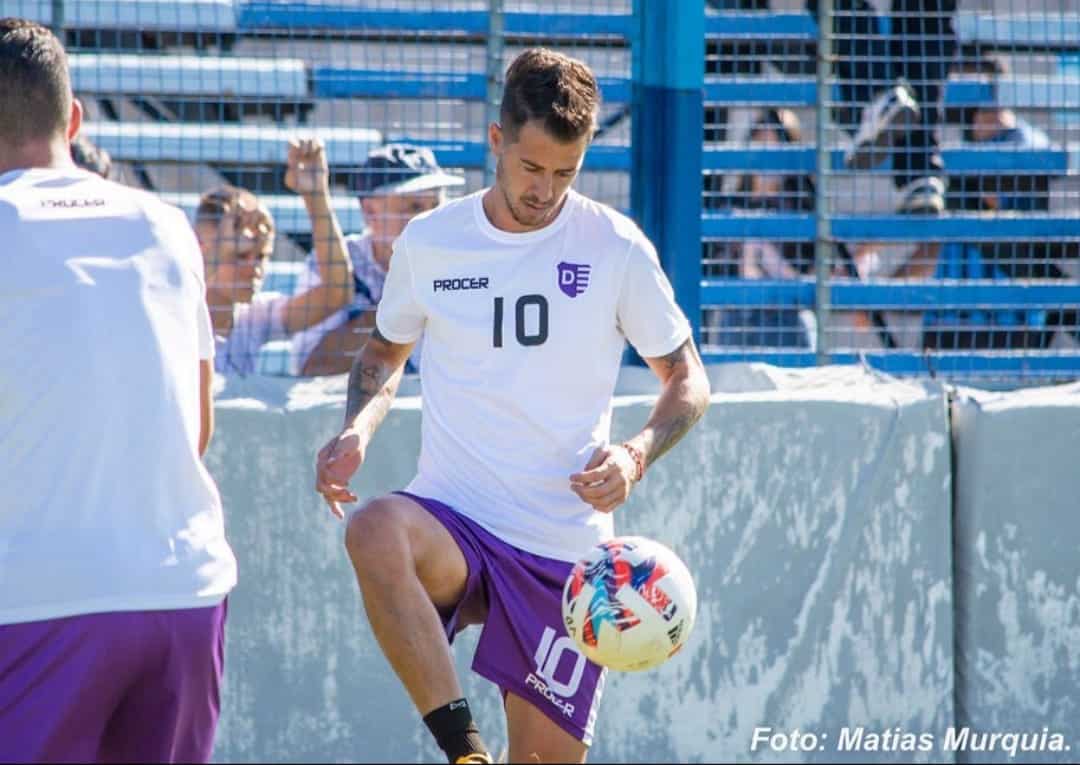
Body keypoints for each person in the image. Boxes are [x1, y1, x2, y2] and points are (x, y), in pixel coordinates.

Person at [314, 48, 711, 764]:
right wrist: (356, 429)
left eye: (566, 173)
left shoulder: (614, 245)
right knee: (374, 529)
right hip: (456, 521)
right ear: (496, 140)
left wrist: (635, 454)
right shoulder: (432, 241)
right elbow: (382, 354)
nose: (546, 190)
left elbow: (688, 379)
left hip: (564, 556)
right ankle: (466, 752)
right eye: (532, 168)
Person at [0, 18, 235, 762]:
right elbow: (197, 427)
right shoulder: (165, 224)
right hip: (182, 595)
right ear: (74, 120)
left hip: (33, 601)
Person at [290, 143, 463, 376]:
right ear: (370, 211)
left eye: (435, 206)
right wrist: (397, 302)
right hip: (355, 399)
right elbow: (311, 369)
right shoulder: (332, 262)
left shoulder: (459, 263)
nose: (429, 219)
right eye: (414, 207)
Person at [194, 138, 355, 376]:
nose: (254, 268)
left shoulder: (253, 317)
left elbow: (337, 294)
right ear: (202, 249)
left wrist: (316, 196)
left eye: (261, 256)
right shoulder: (175, 312)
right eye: (240, 255)